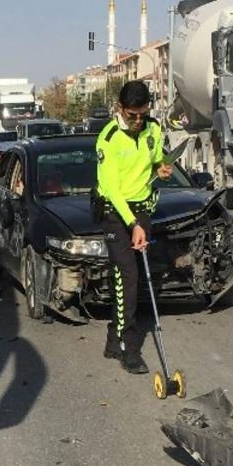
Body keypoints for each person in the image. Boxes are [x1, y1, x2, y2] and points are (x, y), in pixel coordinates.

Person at [95, 80, 171, 374]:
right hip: (114, 212)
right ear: (120, 109)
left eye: (143, 114)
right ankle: (129, 347)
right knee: (128, 275)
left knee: (133, 279)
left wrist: (162, 167)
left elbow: (156, 160)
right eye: (132, 115)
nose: (138, 121)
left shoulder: (153, 129)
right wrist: (133, 224)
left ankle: (113, 339)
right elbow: (112, 189)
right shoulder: (109, 138)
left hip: (142, 209)